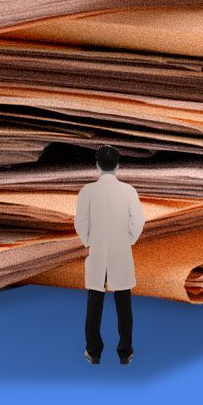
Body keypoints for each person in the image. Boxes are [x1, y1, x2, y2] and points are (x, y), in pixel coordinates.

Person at [74, 144, 145, 365]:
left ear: (97, 165)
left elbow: (81, 222)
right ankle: (125, 352)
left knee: (94, 305)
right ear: (117, 166)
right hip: (121, 253)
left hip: (96, 253)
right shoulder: (128, 191)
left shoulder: (87, 191)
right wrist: (128, 241)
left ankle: (93, 351)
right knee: (124, 306)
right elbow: (138, 222)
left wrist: (89, 241)